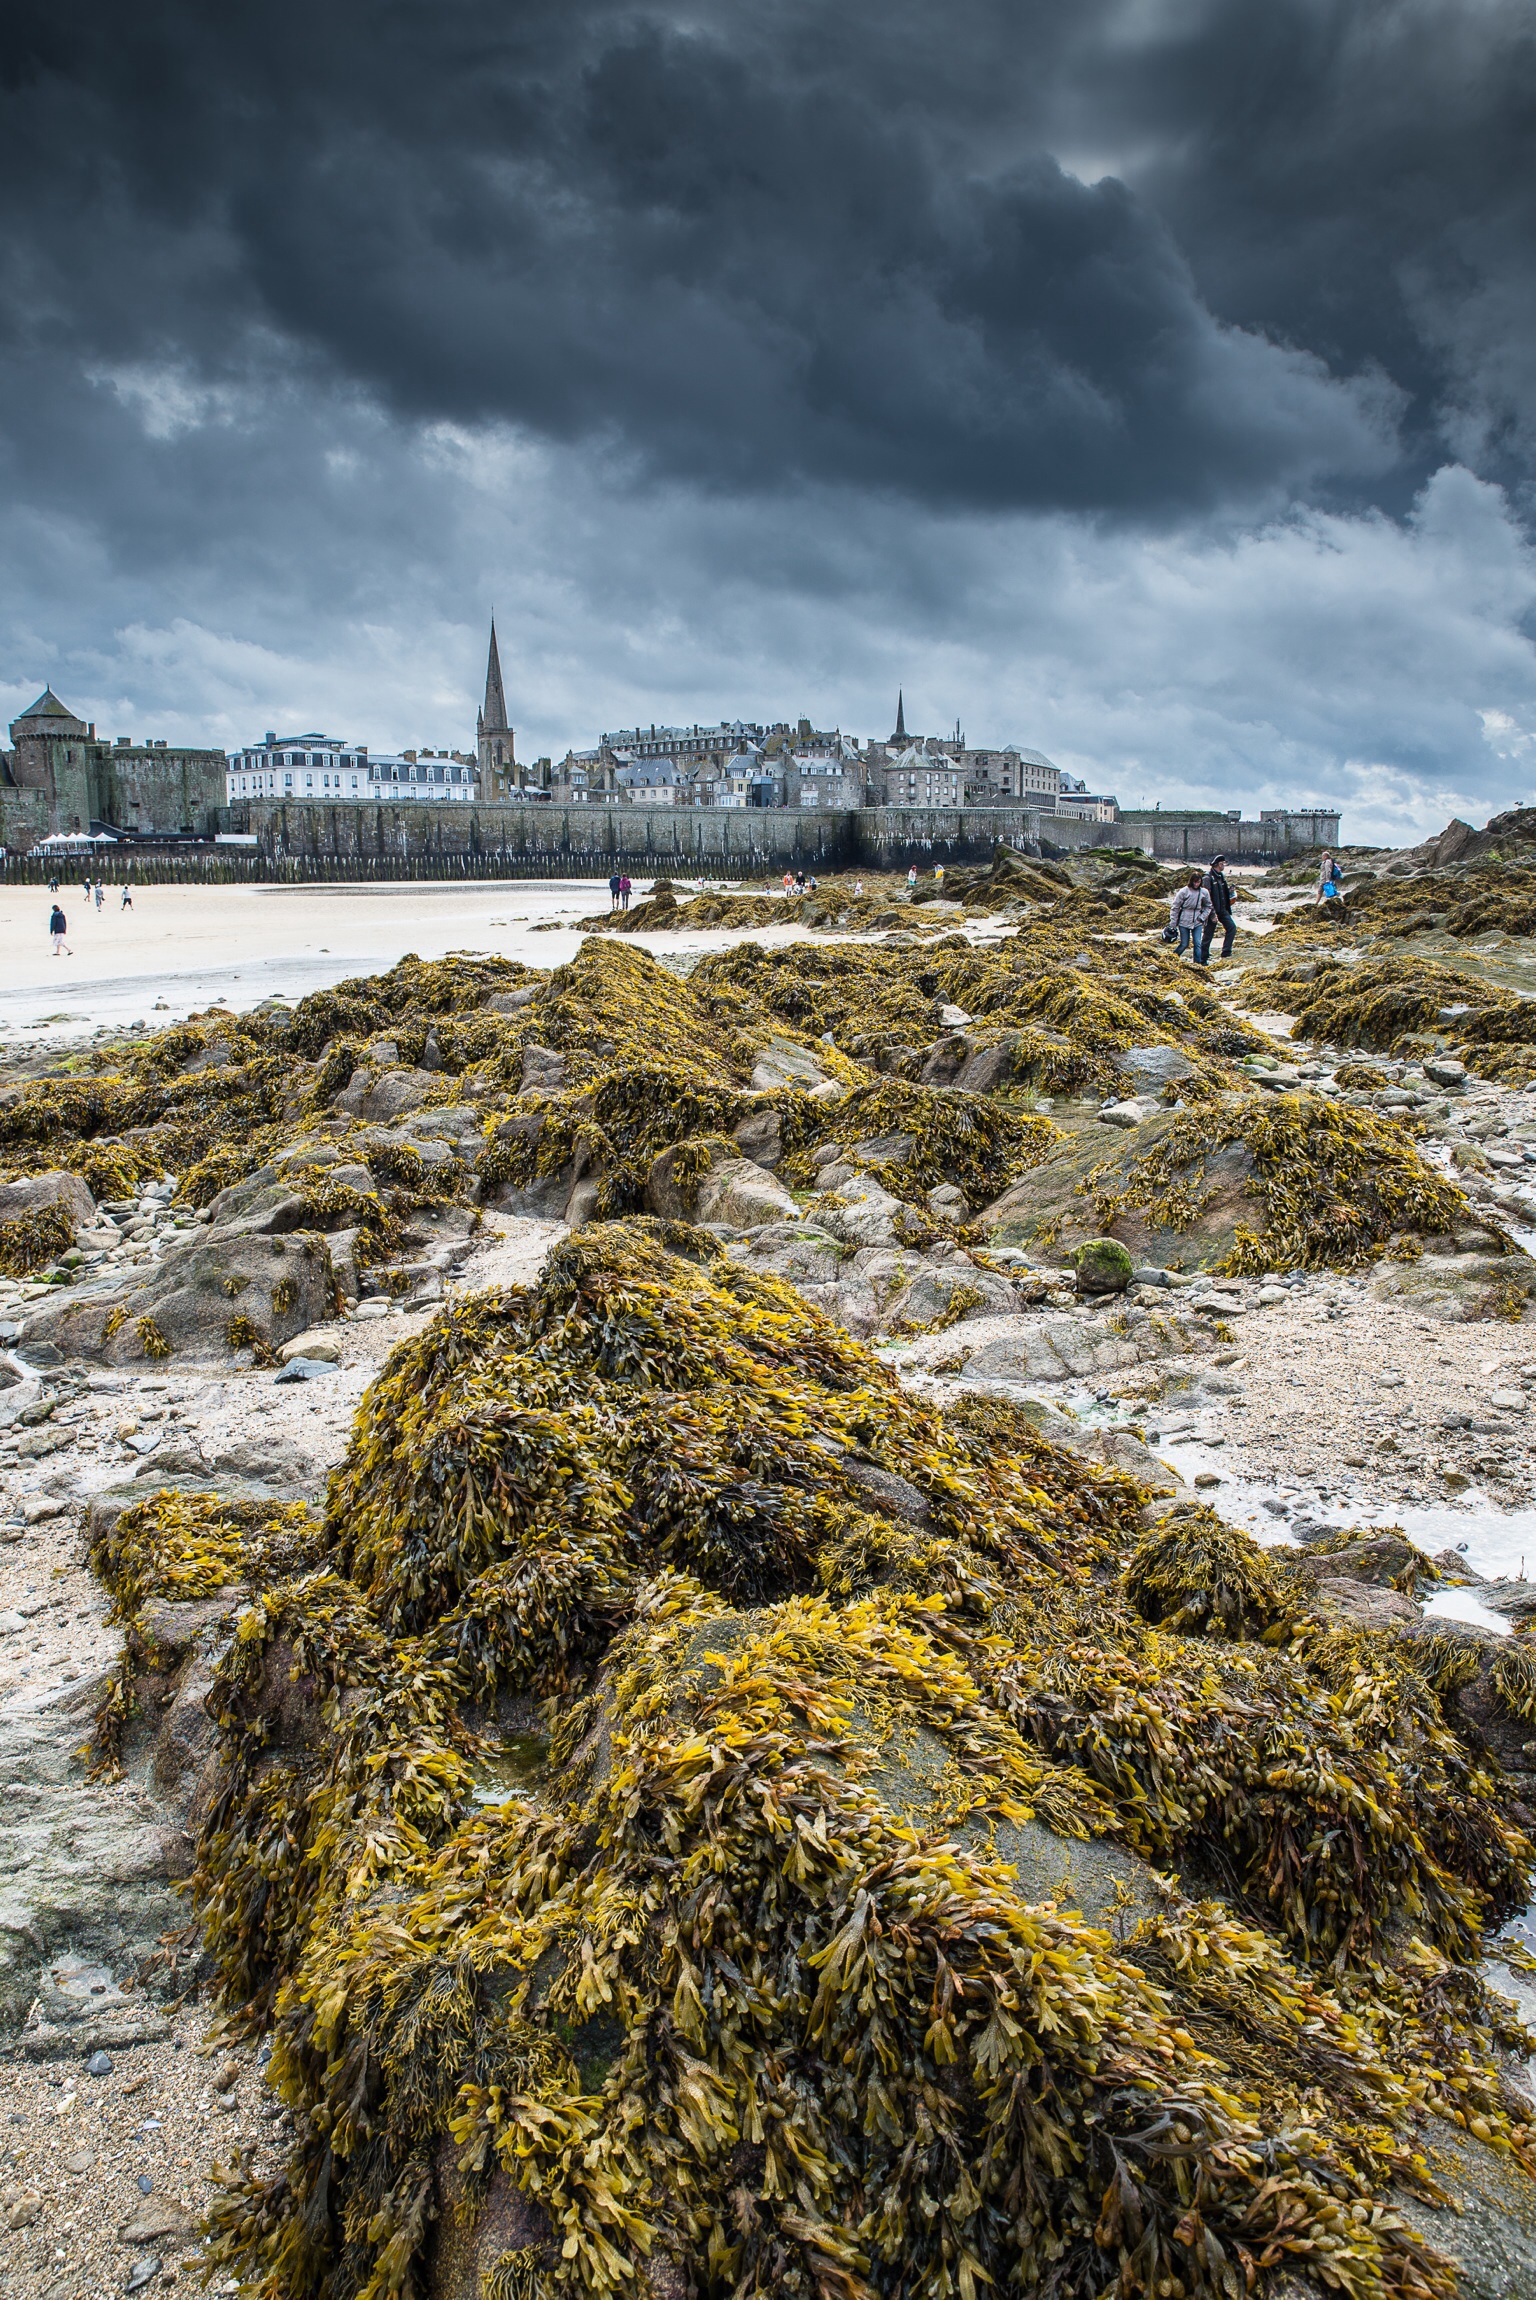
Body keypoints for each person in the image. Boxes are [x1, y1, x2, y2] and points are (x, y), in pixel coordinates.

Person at [1168, 871, 1212, 963]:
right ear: (1191, 881)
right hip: (1184, 921)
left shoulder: (1204, 892)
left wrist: (1202, 917)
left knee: (1197, 943)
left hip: (1197, 921)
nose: (1196, 884)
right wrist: (1173, 923)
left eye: (1198, 882)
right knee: (1184, 944)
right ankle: (1172, 958)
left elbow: (1208, 906)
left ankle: (1197, 963)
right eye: (1195, 882)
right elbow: (1175, 907)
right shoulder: (1184, 891)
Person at [1200, 853, 1236, 963]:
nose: (1224, 865)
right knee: (1208, 934)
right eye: (1223, 863)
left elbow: (1222, 893)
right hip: (1211, 910)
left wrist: (1230, 891)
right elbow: (1207, 897)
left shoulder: (1221, 876)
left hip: (1222, 909)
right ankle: (1203, 957)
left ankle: (1226, 952)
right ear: (1218, 864)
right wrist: (1212, 914)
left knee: (1232, 928)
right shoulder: (1207, 877)